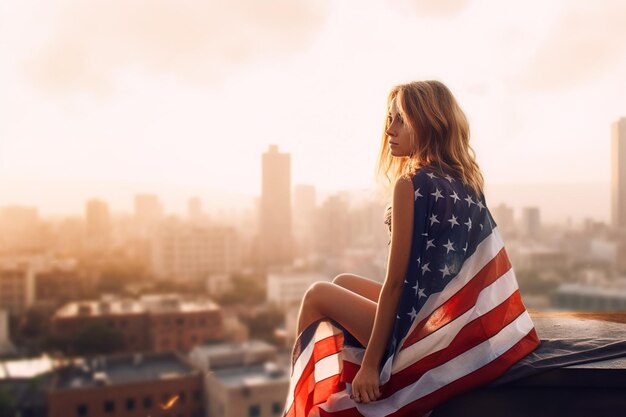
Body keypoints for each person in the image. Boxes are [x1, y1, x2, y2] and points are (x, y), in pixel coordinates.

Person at [284, 80, 540, 417]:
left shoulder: (411, 184)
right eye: (390, 119)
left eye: (400, 120)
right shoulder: (465, 180)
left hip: (423, 339)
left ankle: (306, 403)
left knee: (318, 294)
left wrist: (372, 365)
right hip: (449, 321)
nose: (389, 130)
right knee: (344, 281)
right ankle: (344, 378)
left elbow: (396, 283)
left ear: (429, 122)